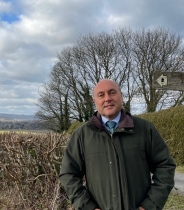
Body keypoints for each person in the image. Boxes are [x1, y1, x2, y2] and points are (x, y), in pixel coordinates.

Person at [59, 79, 176, 210]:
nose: (107, 99)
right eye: (101, 95)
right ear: (95, 101)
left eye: (112, 93)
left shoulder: (144, 129)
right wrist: (87, 207)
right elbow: (68, 174)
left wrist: (150, 205)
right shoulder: (82, 135)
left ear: (121, 96)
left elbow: (165, 166)